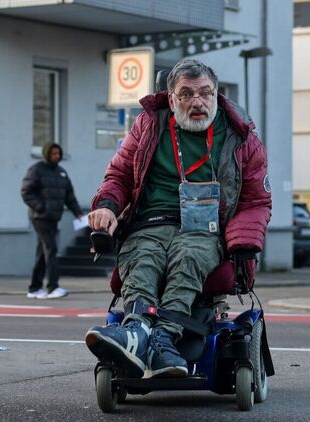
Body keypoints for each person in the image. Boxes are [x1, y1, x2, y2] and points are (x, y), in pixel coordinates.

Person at [84, 58, 272, 379]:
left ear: (216, 94)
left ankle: (164, 337)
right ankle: (137, 330)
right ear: (171, 99)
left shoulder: (241, 138)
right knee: (143, 256)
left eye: (204, 93)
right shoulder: (148, 125)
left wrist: (243, 241)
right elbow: (119, 176)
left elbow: (256, 200)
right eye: (185, 94)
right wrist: (107, 206)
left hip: (206, 229)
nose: (197, 102)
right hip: (151, 222)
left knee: (188, 257)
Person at [21, 141, 83, 299]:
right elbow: (26, 191)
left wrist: (78, 213)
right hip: (40, 218)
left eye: (58, 154)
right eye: (53, 153)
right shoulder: (36, 170)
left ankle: (34, 288)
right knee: (51, 249)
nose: (57, 156)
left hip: (54, 218)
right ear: (47, 154)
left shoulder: (62, 172)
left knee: (42, 253)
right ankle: (52, 287)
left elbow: (69, 196)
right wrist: (41, 207)